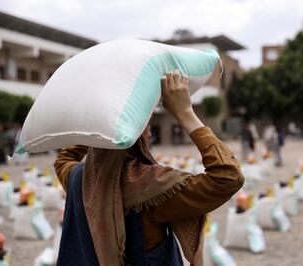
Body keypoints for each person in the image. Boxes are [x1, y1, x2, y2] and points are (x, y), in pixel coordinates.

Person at [54, 71, 244, 266]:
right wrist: (186, 114)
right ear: (139, 131)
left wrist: (94, 124)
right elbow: (228, 176)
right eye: (146, 122)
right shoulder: (151, 187)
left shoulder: (78, 178)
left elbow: (63, 159)